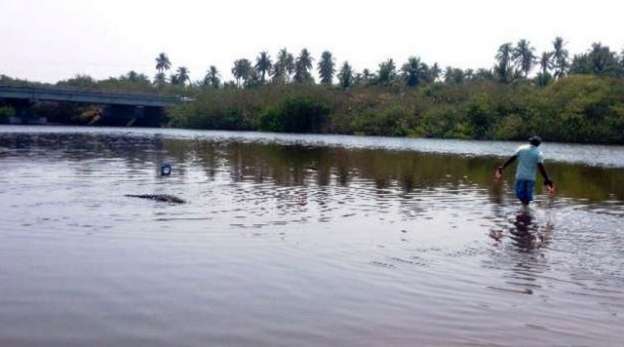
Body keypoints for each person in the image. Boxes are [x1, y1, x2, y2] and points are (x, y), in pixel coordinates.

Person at [496, 136, 554, 205]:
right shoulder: (538, 153)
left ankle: (525, 210)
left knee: (520, 195)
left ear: (530, 142)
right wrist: (546, 179)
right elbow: (541, 167)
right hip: (530, 178)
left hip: (520, 177)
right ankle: (526, 210)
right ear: (539, 144)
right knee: (527, 197)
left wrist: (503, 167)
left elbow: (512, 159)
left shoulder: (521, 149)